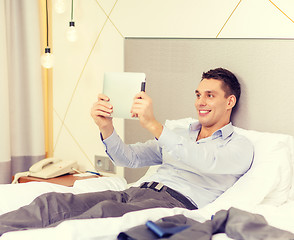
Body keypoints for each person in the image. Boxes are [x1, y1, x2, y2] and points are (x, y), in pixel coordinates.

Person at [0, 68, 253, 235]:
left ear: (229, 101)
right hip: (135, 192)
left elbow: (204, 161)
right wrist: (106, 127)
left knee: (99, 215)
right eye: (198, 94)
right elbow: (128, 157)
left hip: (173, 203)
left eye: (210, 95)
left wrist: (154, 125)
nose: (200, 101)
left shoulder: (239, 146)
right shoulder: (179, 133)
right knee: (54, 201)